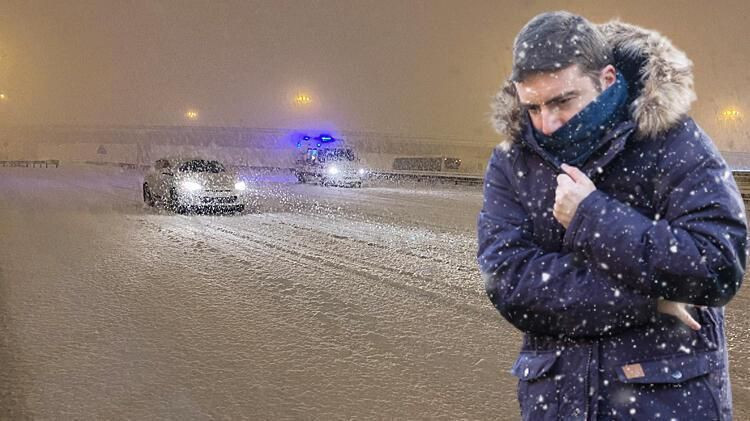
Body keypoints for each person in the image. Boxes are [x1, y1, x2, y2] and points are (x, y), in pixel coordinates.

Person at [477, 11, 747, 420]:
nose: (547, 124)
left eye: (562, 101)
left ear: (606, 79)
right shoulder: (512, 162)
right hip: (557, 403)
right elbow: (511, 282)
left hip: (666, 402)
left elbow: (716, 262)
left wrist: (591, 216)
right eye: (532, 107)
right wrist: (650, 298)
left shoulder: (672, 140)